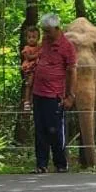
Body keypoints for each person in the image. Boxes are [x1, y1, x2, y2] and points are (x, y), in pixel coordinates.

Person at [24, 13, 77, 174]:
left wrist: (70, 96)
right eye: (44, 31)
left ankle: (61, 163)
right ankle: (41, 164)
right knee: (40, 131)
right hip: (38, 93)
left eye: (48, 31)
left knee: (54, 131)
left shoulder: (67, 47)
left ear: (57, 28)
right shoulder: (45, 42)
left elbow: (72, 72)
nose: (45, 35)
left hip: (54, 96)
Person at [19, 26, 41, 105]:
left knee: (35, 84)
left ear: (38, 38)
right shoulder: (26, 48)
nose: (31, 39)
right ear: (26, 38)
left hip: (37, 67)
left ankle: (32, 101)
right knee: (29, 84)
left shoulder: (39, 46)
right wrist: (38, 54)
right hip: (29, 68)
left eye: (34, 37)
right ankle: (26, 101)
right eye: (29, 37)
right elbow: (28, 57)